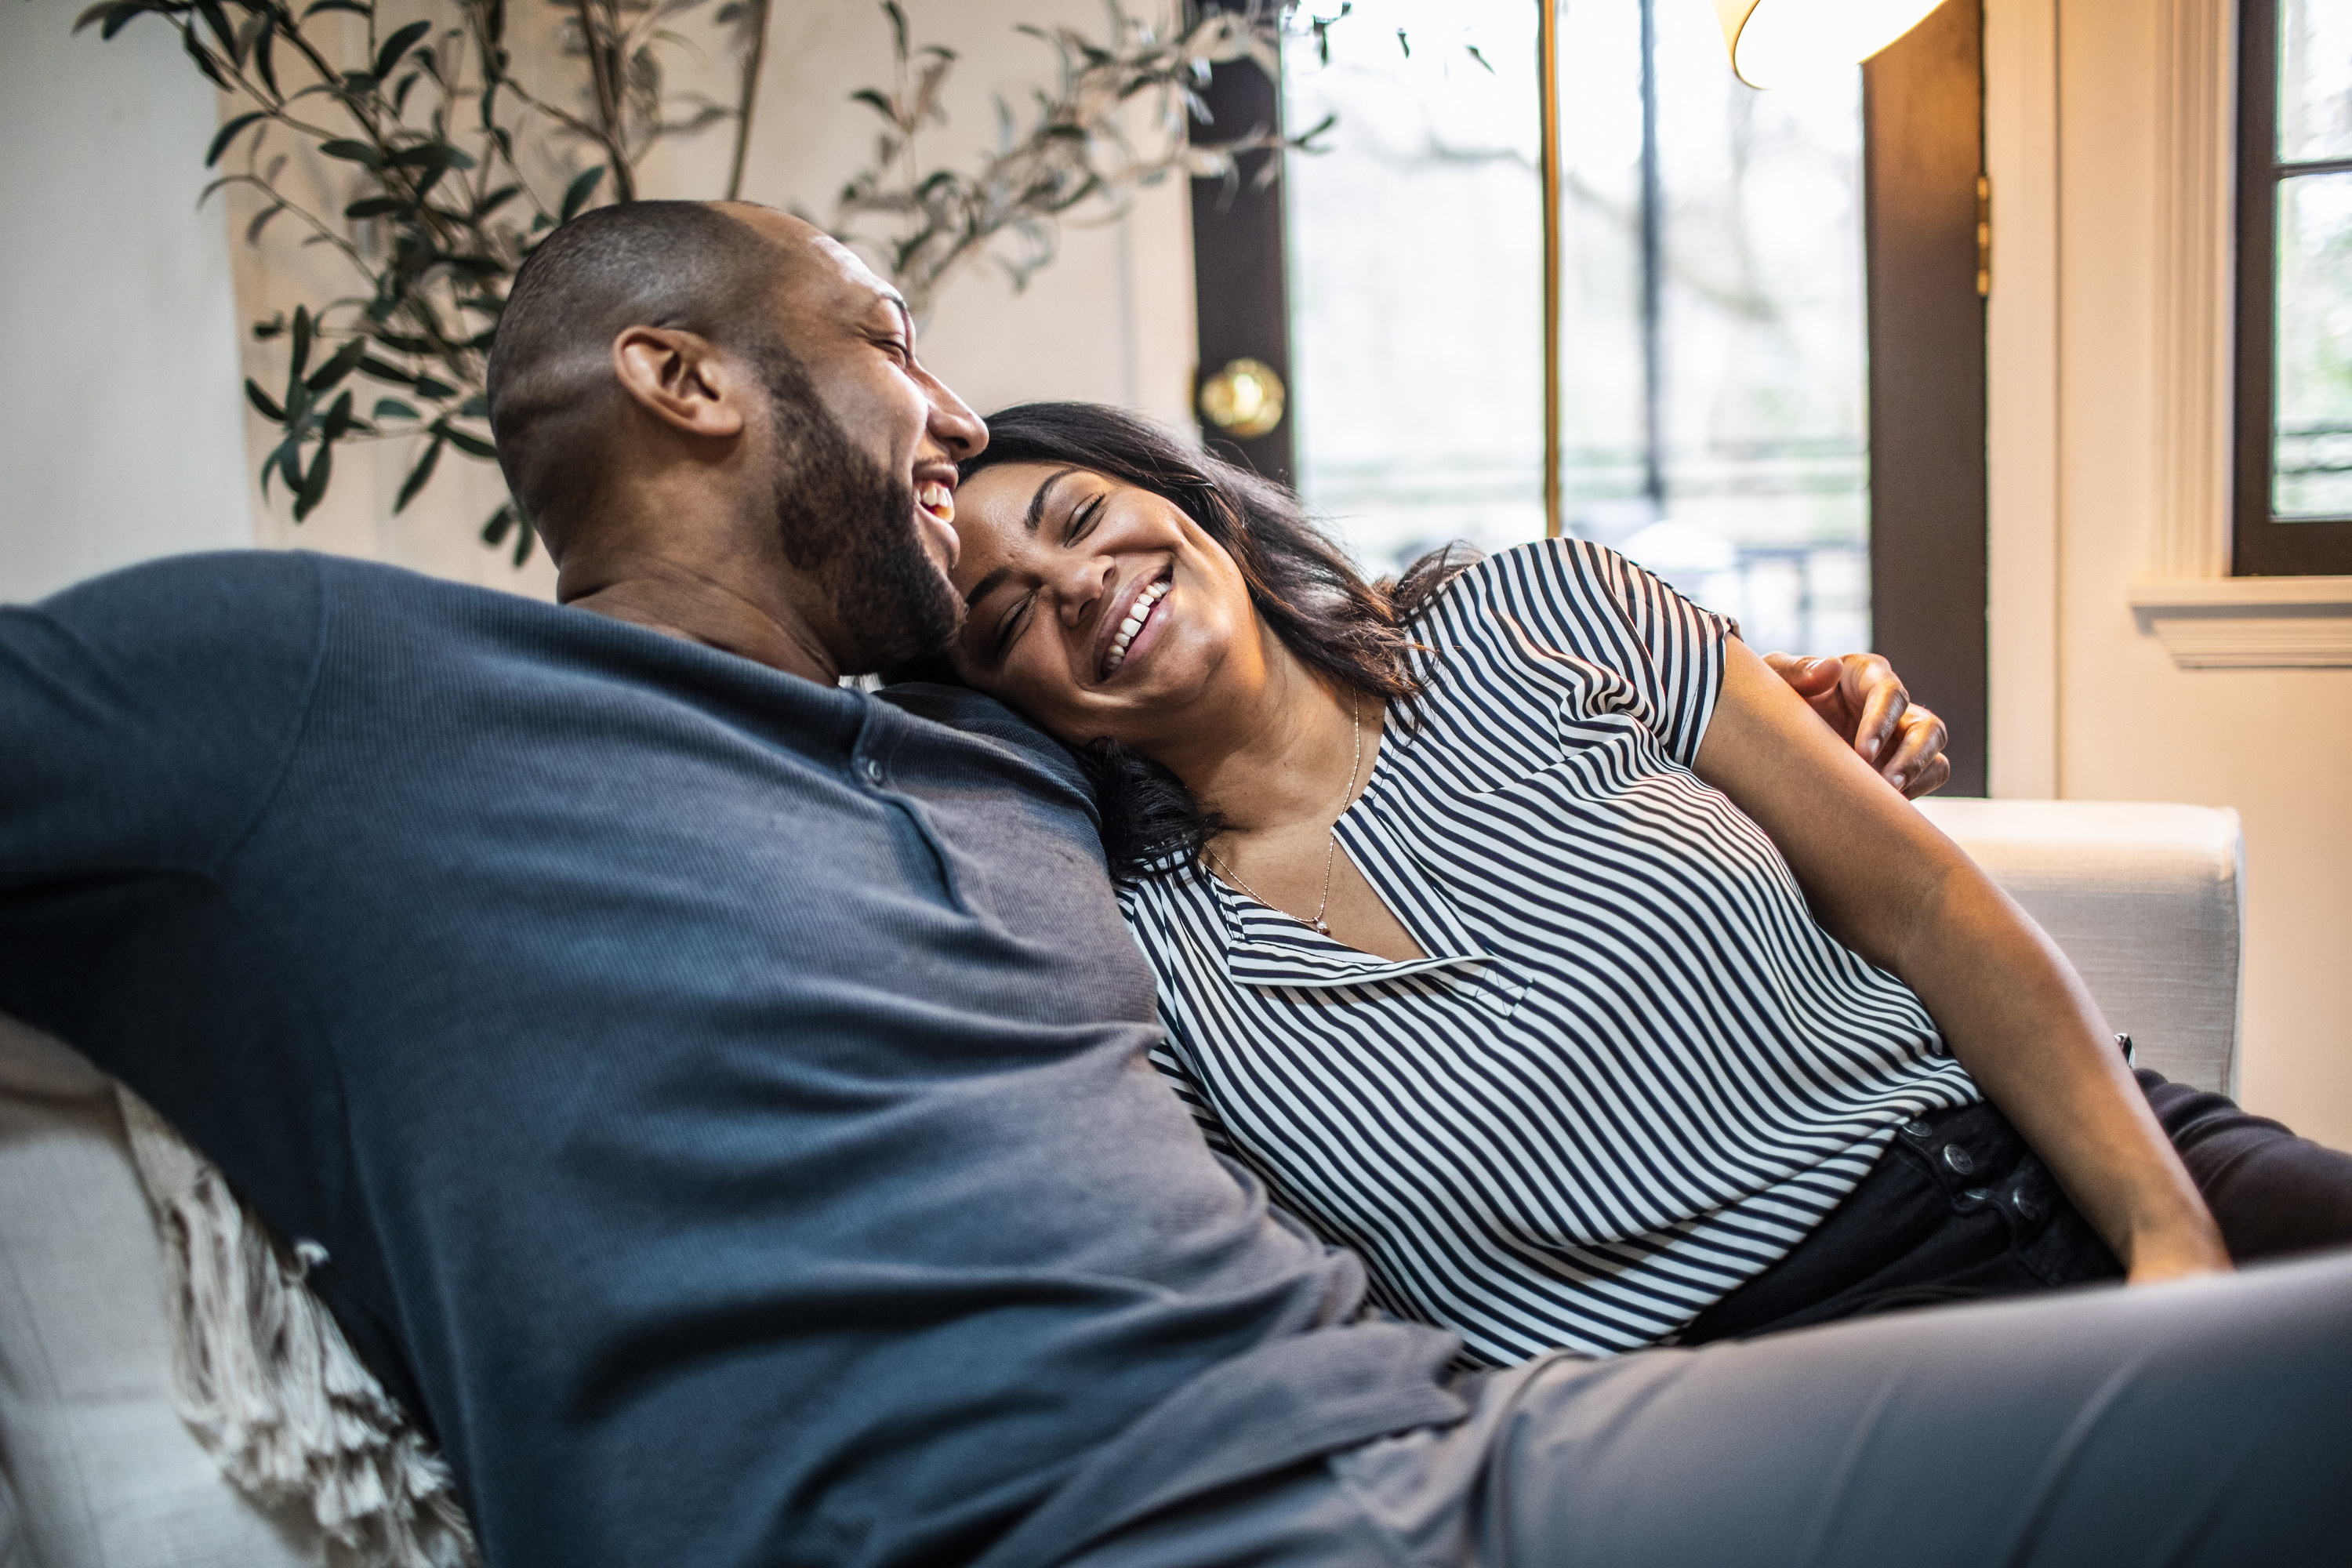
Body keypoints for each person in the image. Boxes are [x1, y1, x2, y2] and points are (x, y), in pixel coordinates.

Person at [0, 200, 2346, 1568]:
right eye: (896, 344)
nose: (954, 427)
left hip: (1472, 1466)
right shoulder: (316, 696)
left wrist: (1799, 722)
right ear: (685, 384)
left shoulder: (1010, 790)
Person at [938, 401, 2352, 1364]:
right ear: (1025, 708)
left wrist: (2168, 1238)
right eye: (1007, 615)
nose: (1072, 582)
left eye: (1080, 514)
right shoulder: (1142, 957)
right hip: (1765, 1387)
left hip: (2055, 1161)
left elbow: (1923, 901)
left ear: (1191, 505)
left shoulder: (1542, 608)